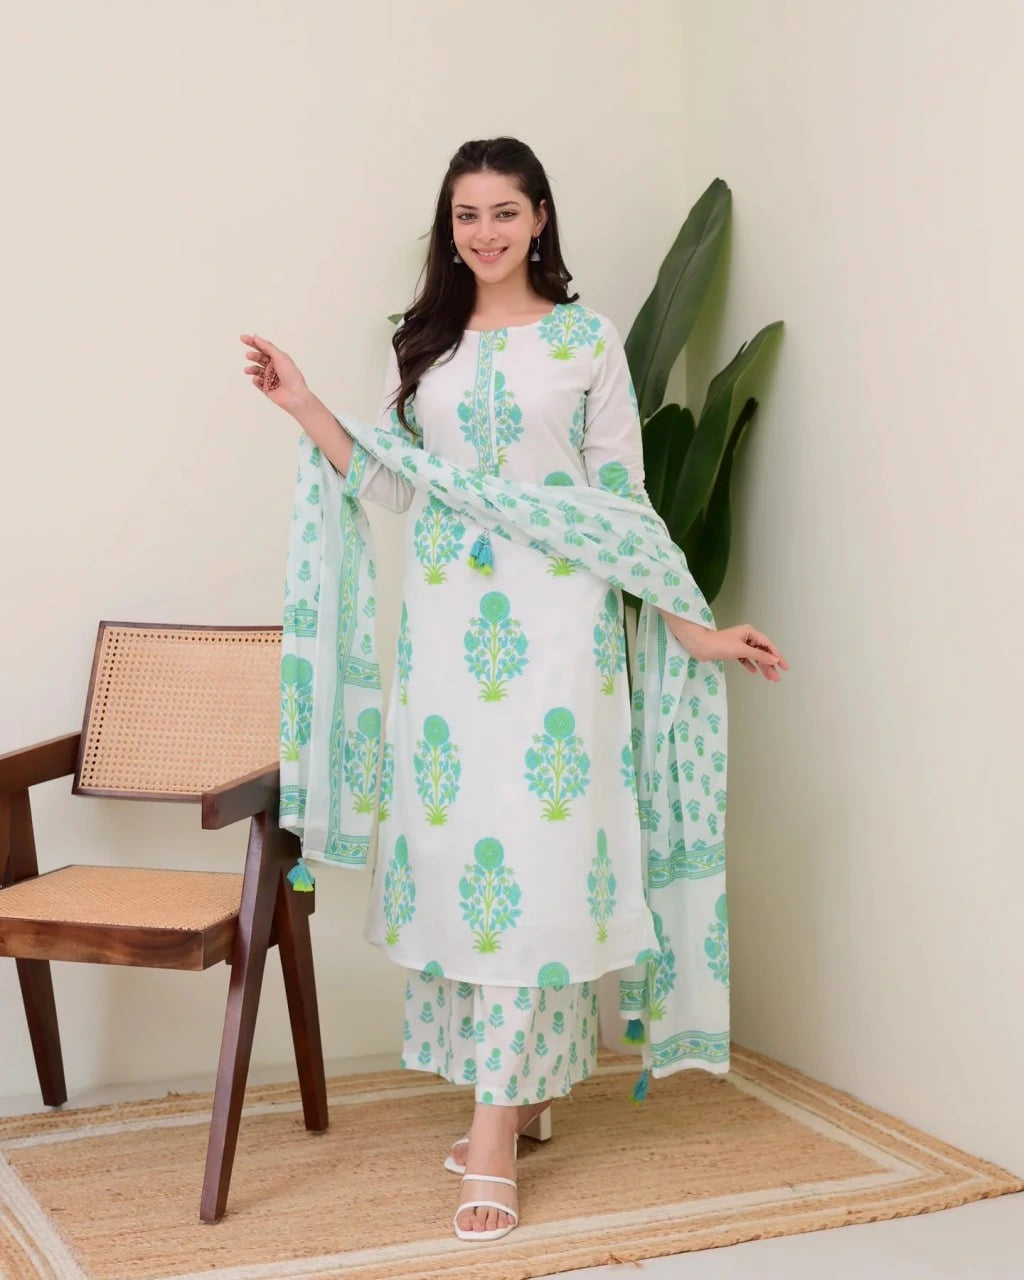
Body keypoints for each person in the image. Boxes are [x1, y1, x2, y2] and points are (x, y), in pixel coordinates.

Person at [240, 136, 787, 1243]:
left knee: (535, 868)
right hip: (445, 652)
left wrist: (694, 626)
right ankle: (523, 1091)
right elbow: (396, 483)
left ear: (540, 217)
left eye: (503, 211)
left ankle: (492, 1134)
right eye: (465, 216)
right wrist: (305, 405)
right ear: (451, 230)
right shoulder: (429, 344)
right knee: (466, 870)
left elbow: (620, 506)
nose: (484, 232)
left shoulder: (584, 342)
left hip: (558, 647)